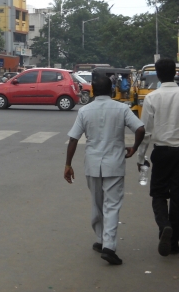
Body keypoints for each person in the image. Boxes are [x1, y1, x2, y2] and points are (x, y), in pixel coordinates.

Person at [64, 75, 145, 265]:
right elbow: (140, 129)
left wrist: (68, 164)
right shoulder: (122, 108)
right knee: (112, 206)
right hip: (114, 164)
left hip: (92, 164)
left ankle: (101, 240)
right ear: (112, 90)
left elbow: (74, 139)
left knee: (97, 204)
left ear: (92, 90)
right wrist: (134, 148)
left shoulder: (85, 111)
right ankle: (109, 246)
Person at [137, 58, 179, 256]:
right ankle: (174, 243)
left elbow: (145, 132)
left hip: (161, 151)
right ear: (175, 73)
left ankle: (164, 226)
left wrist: (141, 157)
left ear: (159, 76)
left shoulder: (152, 98)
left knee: (159, 194)